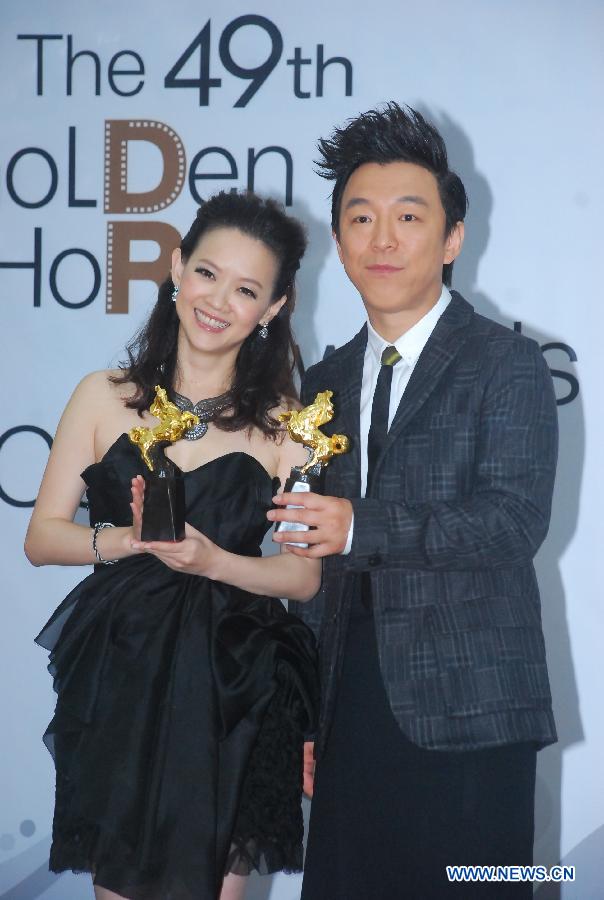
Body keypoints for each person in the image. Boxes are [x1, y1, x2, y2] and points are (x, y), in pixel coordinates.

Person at [268, 103, 558, 897]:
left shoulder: (509, 365)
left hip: (472, 714)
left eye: (407, 215)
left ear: (452, 238)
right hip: (348, 715)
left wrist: (361, 524)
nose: (383, 238)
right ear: (339, 243)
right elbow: (310, 563)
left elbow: (512, 522)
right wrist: (306, 710)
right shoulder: (322, 383)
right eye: (361, 218)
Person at [25, 191, 320, 900]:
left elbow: (304, 578)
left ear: (273, 309)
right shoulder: (103, 396)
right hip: (124, 668)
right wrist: (128, 539)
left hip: (237, 682)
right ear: (177, 266)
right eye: (207, 273)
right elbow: (43, 537)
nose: (218, 301)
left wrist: (213, 561)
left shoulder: (289, 425)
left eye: (247, 289)